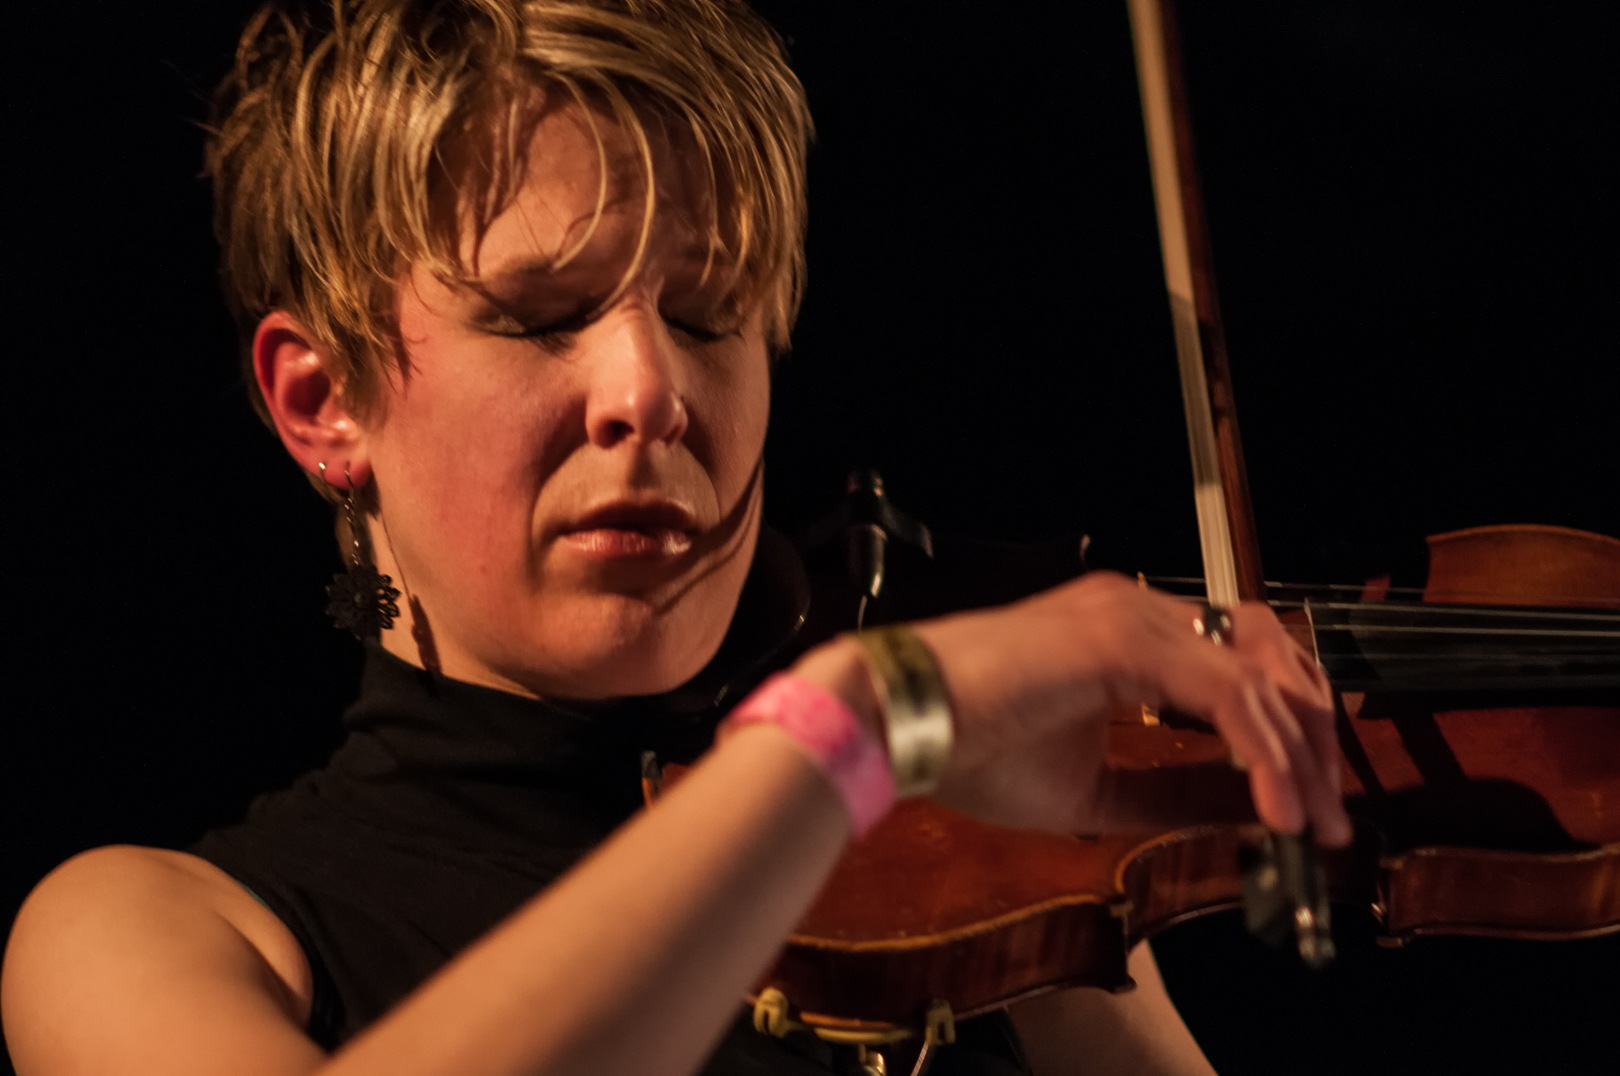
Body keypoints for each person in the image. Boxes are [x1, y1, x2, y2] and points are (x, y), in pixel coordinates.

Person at [0, 2, 1351, 1074]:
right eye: (539, 316)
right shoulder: (154, 933)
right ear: (322, 402)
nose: (652, 392)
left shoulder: (968, 884)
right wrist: (861, 723)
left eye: (710, 317)